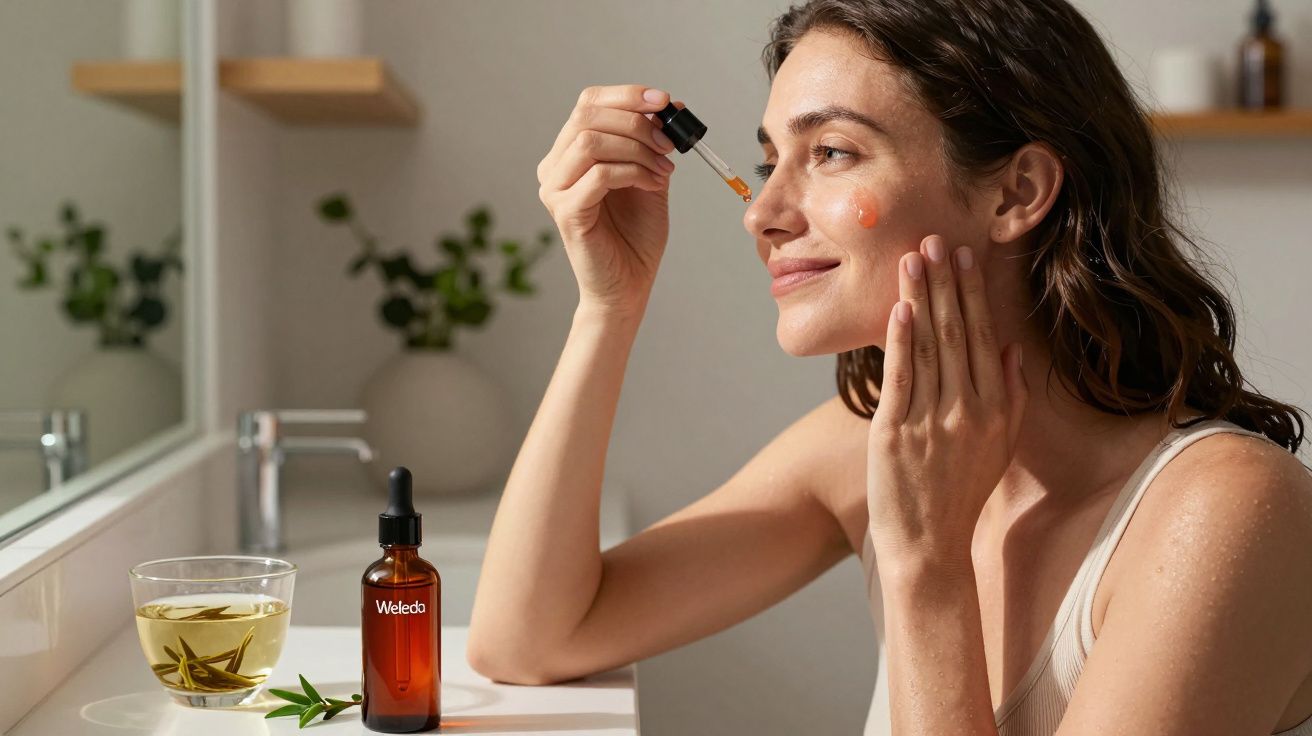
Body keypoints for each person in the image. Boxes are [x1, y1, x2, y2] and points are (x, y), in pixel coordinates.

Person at [467, 0, 1312, 733]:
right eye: (769, 162)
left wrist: (925, 565)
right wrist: (609, 307)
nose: (761, 211)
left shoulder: (1226, 511)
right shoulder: (865, 443)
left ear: (1017, 192)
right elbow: (531, 638)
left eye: (831, 152)